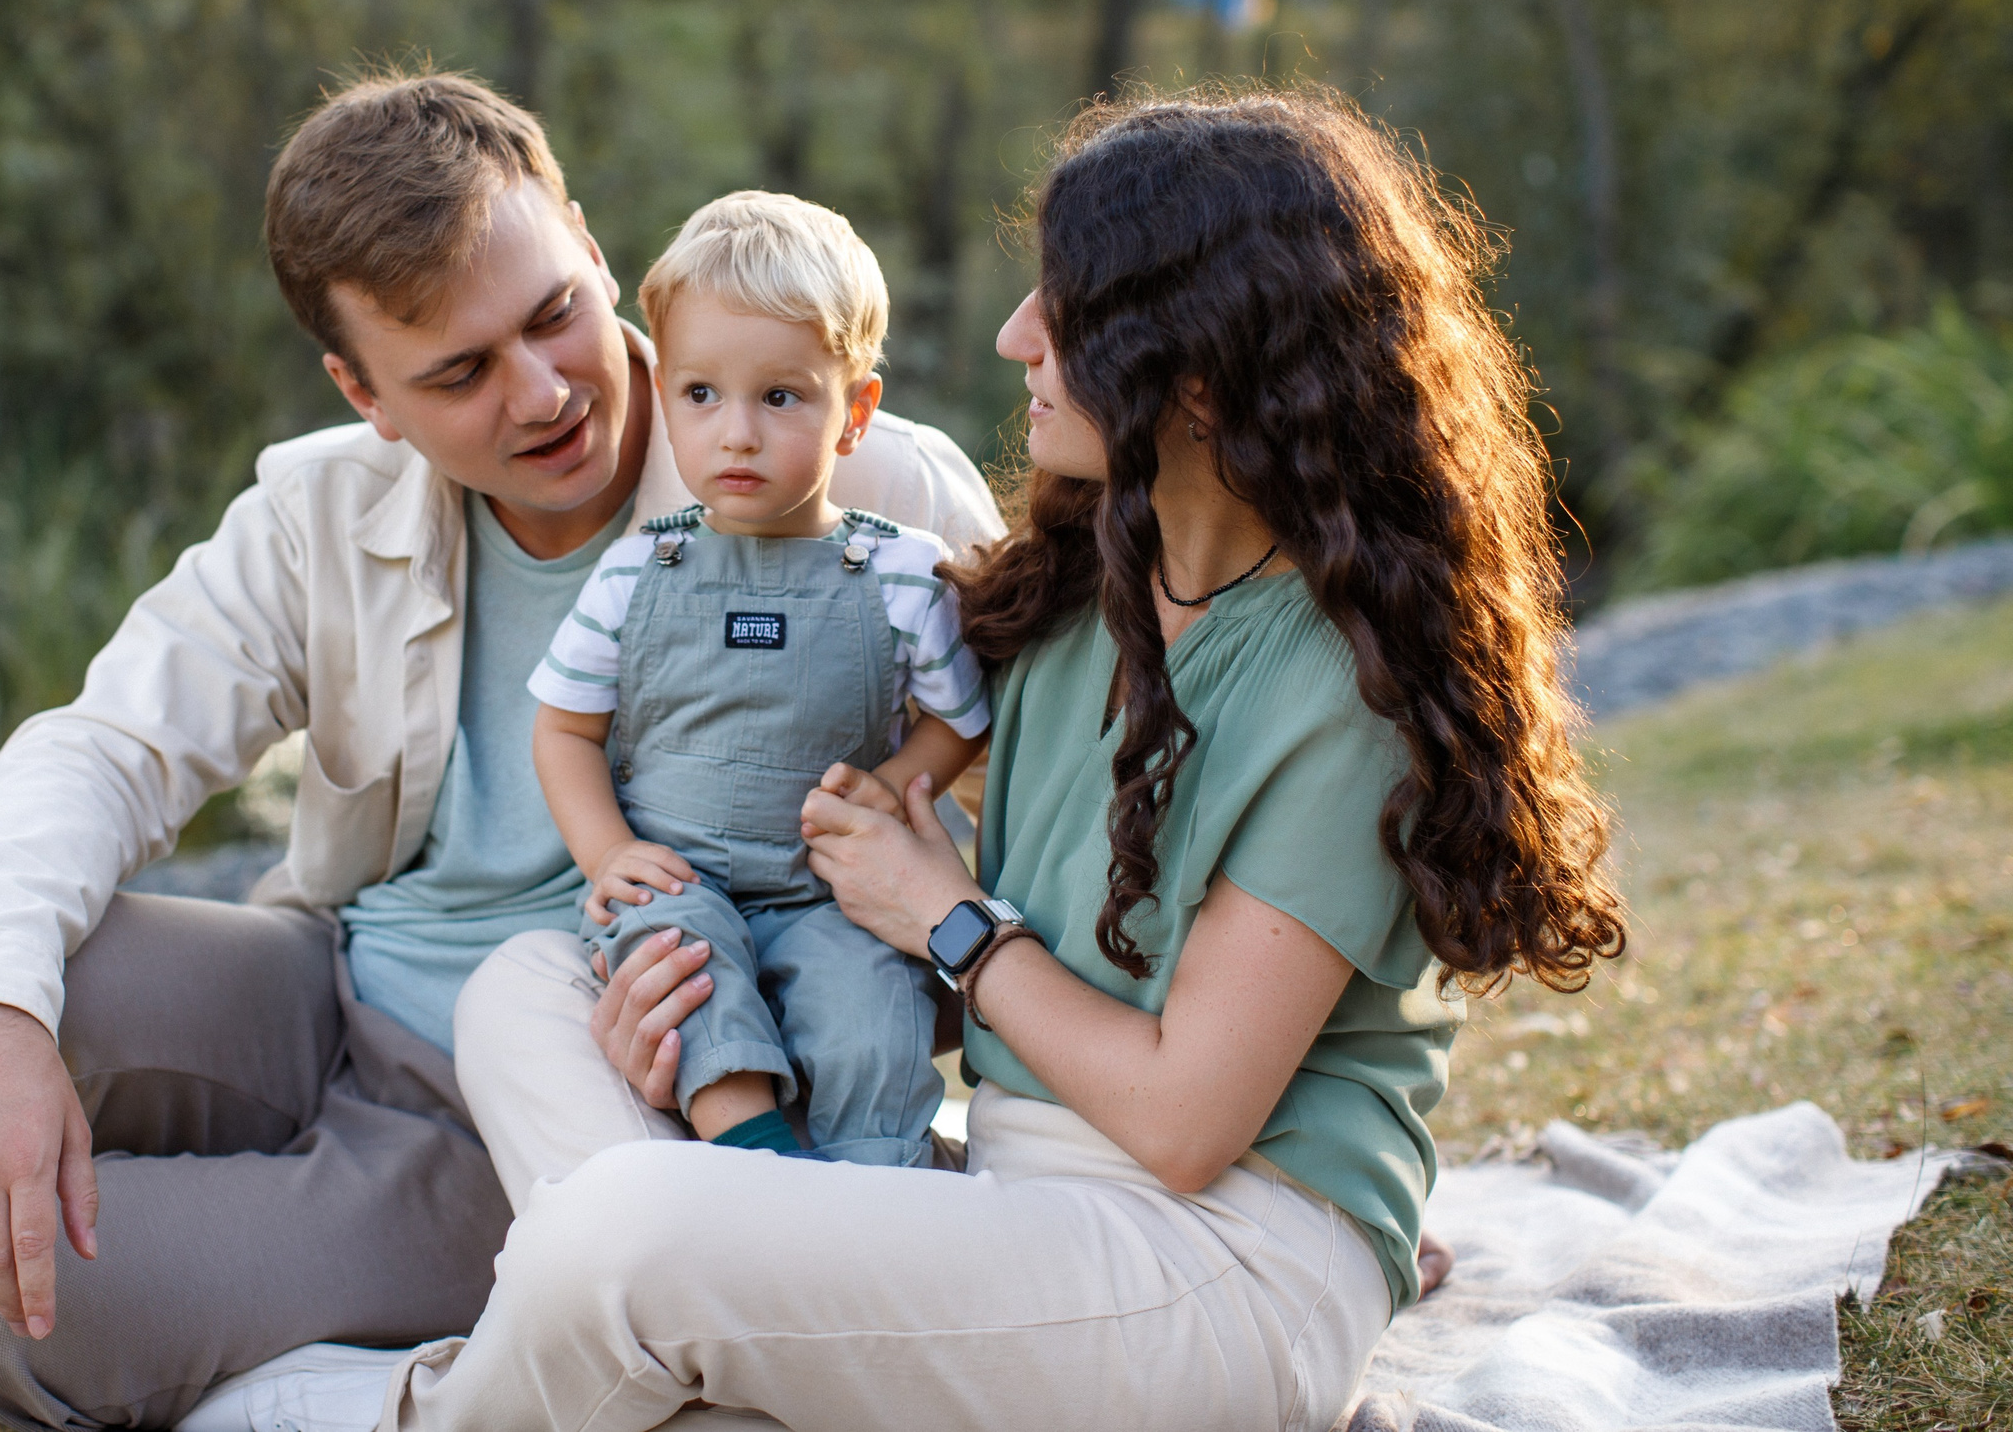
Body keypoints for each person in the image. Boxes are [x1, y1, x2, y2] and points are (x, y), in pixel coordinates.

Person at [0, 72, 1001, 1432]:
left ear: (592, 247)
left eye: (551, 316)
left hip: (551, 1106)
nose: (543, 393)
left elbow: (1030, 787)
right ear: (362, 393)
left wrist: (855, 929)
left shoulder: (862, 481)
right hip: (325, 987)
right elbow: (102, 745)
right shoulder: (320, 511)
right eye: (458, 372)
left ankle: (411, 1376)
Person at [421, 85, 1627, 1432]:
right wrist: (704, 996)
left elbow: (1179, 1117)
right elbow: (1019, 963)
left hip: (1211, 1253)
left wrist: (945, 915)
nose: (1014, 339)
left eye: (1064, 311)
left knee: (624, 1236)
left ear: (1204, 369)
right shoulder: (1075, 592)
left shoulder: (1346, 685)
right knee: (529, 980)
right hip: (1012, 1196)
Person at [531, 192, 990, 1167]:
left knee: (874, 1015)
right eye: (701, 395)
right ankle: (757, 1172)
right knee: (679, 977)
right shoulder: (634, 571)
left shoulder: (901, 571)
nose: (735, 434)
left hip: (831, 893)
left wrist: (895, 783)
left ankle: (880, 1197)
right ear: (667, 401)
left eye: (780, 397)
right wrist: (608, 852)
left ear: (854, 413)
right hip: (678, 876)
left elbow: (961, 721)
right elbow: (563, 728)